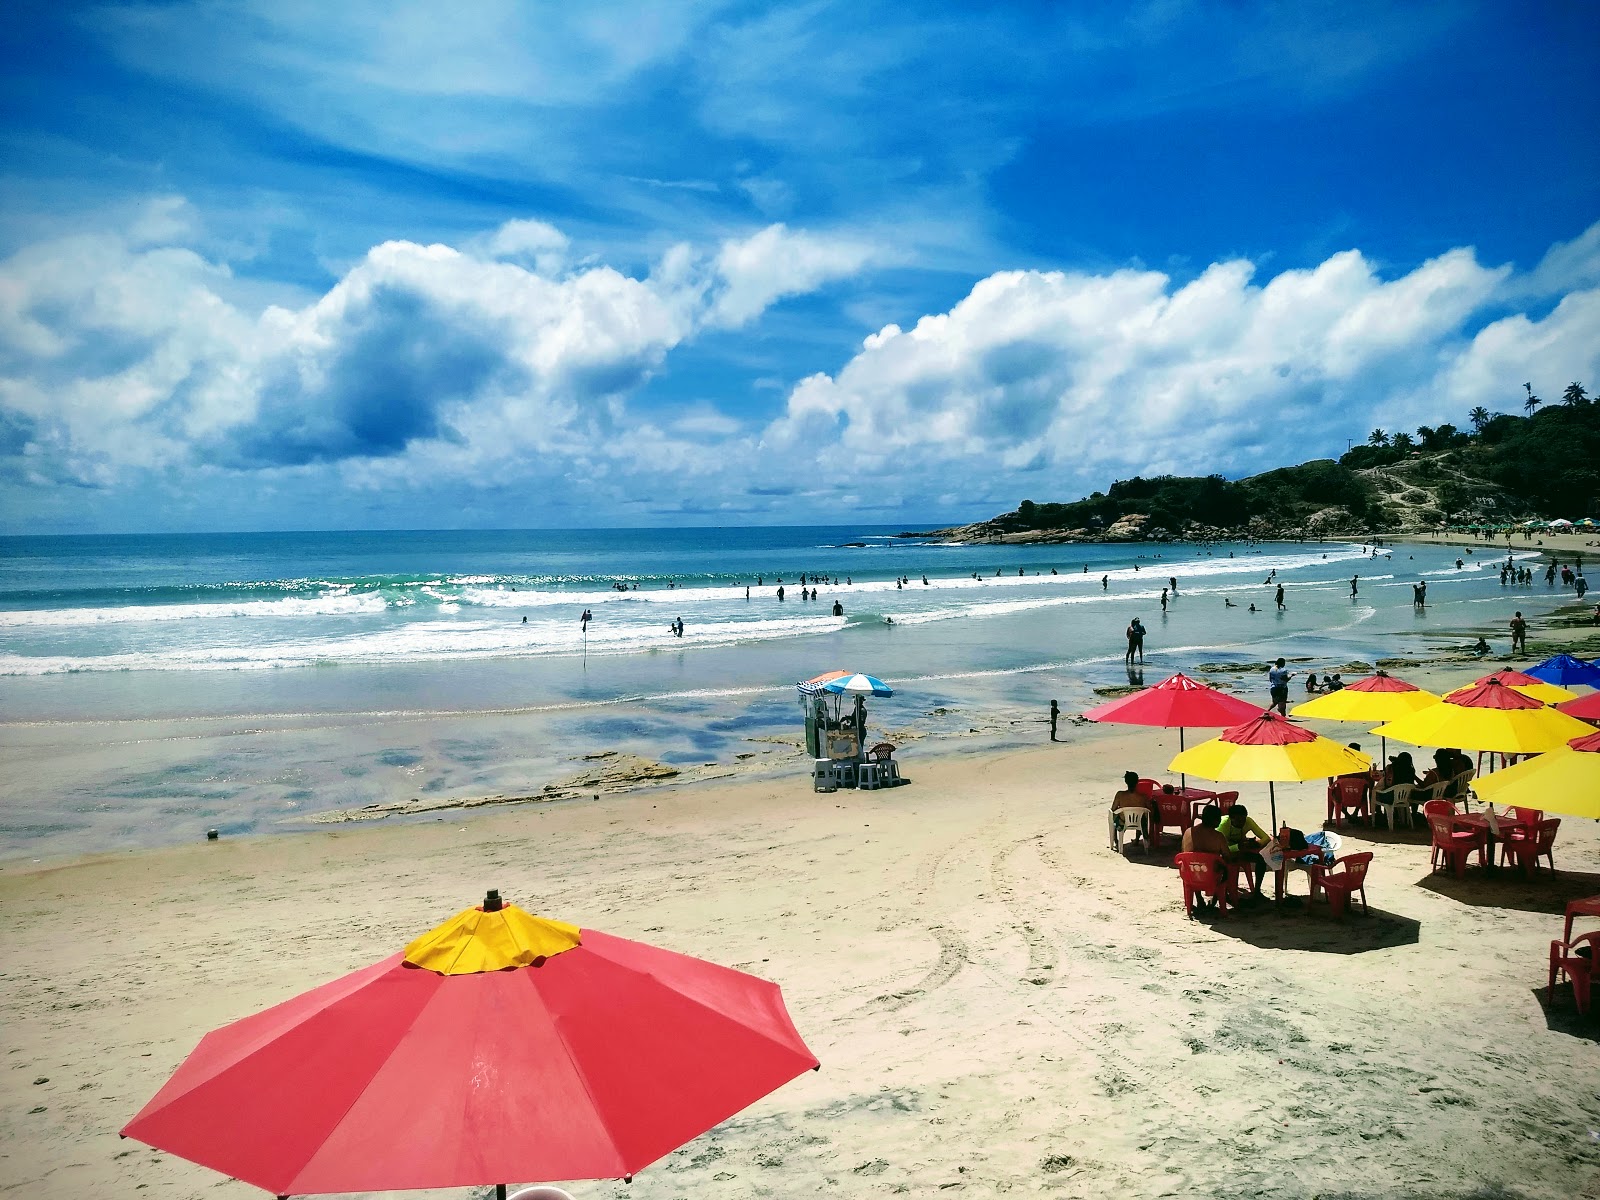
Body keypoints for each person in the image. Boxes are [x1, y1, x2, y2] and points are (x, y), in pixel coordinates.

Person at [1217, 803, 1271, 899]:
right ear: (1231, 818)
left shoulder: (1248, 821)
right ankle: (1225, 891)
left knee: (1261, 860)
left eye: (1243, 820)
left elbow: (1265, 837)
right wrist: (1238, 847)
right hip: (1224, 853)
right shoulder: (1223, 825)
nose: (1242, 823)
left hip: (1240, 850)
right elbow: (1219, 848)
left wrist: (1257, 844)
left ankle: (1257, 890)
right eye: (1238, 821)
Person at [1110, 771, 1157, 846]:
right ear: (1137, 782)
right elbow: (1150, 810)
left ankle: (1116, 839)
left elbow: (1113, 809)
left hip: (1123, 822)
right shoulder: (1143, 797)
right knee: (1141, 816)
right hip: (1139, 823)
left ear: (1126, 782)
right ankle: (1138, 839)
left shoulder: (1120, 795)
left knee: (1114, 815)